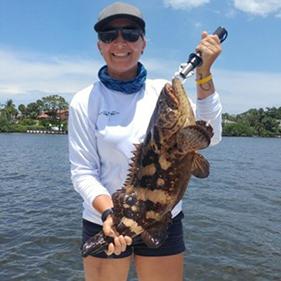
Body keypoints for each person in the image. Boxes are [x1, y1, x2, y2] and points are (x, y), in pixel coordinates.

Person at [68, 2, 223, 281]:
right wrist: (109, 216)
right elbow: (83, 172)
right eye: (108, 35)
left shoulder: (159, 91)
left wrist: (204, 73)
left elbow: (212, 135)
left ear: (143, 43)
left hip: (164, 216)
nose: (120, 42)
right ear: (99, 46)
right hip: (103, 219)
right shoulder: (84, 101)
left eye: (130, 33)